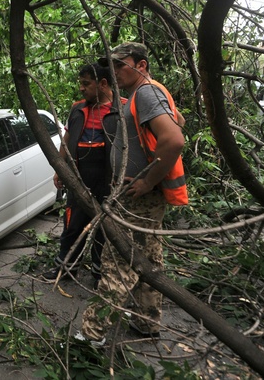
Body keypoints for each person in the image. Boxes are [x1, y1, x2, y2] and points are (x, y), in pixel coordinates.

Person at [79, 42, 187, 344]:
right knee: (149, 260)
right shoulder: (148, 92)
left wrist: (149, 181)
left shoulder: (146, 92)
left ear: (141, 65)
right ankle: (146, 320)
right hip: (142, 197)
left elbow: (174, 140)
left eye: (120, 64)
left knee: (119, 262)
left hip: (137, 195)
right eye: (111, 65)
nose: (114, 71)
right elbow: (180, 122)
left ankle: (91, 335)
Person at [41, 63, 123, 288]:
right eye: (81, 83)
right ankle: (66, 267)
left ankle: (99, 275)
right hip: (79, 179)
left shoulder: (123, 110)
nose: (81, 88)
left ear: (103, 84)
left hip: (107, 182)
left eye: (86, 84)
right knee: (72, 225)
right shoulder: (77, 109)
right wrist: (60, 169)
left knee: (103, 230)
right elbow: (67, 141)